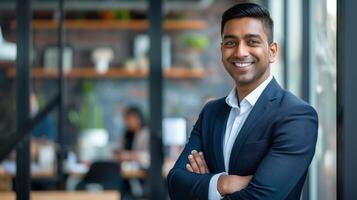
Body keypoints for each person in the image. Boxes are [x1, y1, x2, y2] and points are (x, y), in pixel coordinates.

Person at [167, 3, 318, 200]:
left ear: (272, 51)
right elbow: (175, 182)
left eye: (252, 42)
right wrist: (223, 183)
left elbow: (260, 197)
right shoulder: (211, 112)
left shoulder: (297, 116)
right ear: (222, 51)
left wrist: (205, 186)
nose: (240, 52)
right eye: (231, 43)